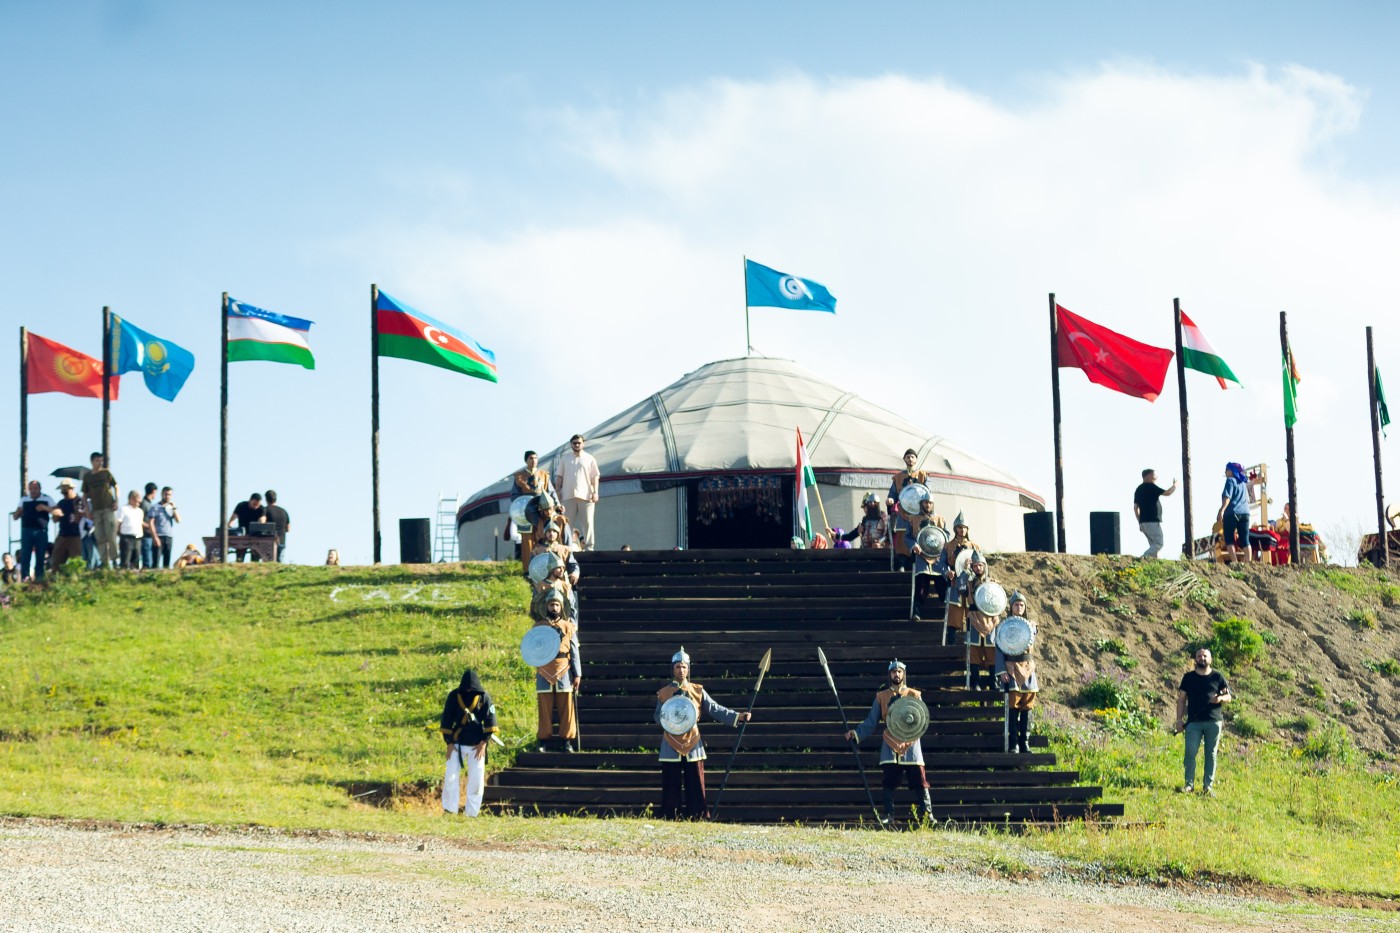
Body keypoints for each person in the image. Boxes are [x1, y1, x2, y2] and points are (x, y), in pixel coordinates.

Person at [654, 647, 750, 820]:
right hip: (670, 741)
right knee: (671, 783)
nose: (681, 670)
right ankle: (670, 815)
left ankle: (697, 815)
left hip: (692, 741)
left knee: (696, 782)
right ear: (673, 669)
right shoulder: (664, 693)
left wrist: (737, 716)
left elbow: (714, 709)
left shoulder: (697, 690)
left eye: (684, 667)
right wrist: (666, 719)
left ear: (688, 669)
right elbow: (657, 717)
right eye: (677, 667)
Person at [846, 659, 932, 824]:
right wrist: (856, 733)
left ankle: (928, 816)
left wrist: (909, 740)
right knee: (889, 781)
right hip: (890, 743)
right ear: (889, 674)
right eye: (894, 671)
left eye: (899, 671)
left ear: (903, 674)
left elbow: (922, 721)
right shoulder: (881, 696)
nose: (897, 674)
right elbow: (871, 722)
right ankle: (888, 815)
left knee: (920, 781)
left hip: (912, 743)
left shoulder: (915, 694)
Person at [439, 668, 498, 817]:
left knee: (476, 781)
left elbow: (490, 721)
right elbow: (446, 719)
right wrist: (449, 743)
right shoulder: (454, 696)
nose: (470, 690)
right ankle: (449, 809)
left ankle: (472, 813)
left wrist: (483, 743)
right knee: (451, 777)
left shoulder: (484, 697)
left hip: (477, 744)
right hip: (456, 743)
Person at [1174, 647, 1231, 795]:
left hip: (1214, 722)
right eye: (1199, 656)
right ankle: (1189, 785)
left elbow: (1228, 697)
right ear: (1195, 659)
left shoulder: (1218, 677)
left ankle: (1208, 787)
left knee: (1211, 754)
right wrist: (1179, 720)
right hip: (1193, 722)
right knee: (1190, 752)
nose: (1202, 658)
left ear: (1210, 659)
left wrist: (1220, 698)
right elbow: (1181, 701)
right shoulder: (1188, 678)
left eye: (1205, 656)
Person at [532, 589, 582, 752]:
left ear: (561, 607)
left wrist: (578, 674)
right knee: (544, 706)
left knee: (566, 706)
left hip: (564, 667)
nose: (554, 608)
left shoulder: (568, 627)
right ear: (546, 607)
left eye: (557, 605)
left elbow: (574, 650)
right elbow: (532, 648)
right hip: (544, 668)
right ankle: (543, 740)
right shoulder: (538, 626)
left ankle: (567, 740)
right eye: (551, 605)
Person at [995, 591, 1039, 753]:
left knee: (1027, 706)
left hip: (1028, 667)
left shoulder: (1031, 626)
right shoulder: (1004, 625)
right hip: (1011, 667)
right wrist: (1001, 671)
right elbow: (999, 649)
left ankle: (1024, 742)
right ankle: (1013, 743)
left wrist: (1032, 628)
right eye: (1016, 604)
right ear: (1011, 607)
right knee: (1013, 707)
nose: (1019, 607)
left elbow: (1032, 636)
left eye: (1021, 605)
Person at [554, 434, 600, 551]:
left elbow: (595, 477)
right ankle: (566, 547)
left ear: (583, 444)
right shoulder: (565, 459)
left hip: (586, 496)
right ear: (571, 444)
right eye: (574, 443)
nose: (577, 445)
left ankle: (589, 548)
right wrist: (557, 491)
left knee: (588, 524)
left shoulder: (590, 458)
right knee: (567, 524)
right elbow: (559, 476)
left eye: (579, 443)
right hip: (568, 495)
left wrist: (595, 492)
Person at [964, 559, 1005, 691]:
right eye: (975, 566)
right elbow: (959, 589)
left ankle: (993, 682)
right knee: (974, 652)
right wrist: (965, 571)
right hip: (974, 617)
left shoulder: (992, 583)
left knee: (992, 652)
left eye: (980, 565)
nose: (978, 568)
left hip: (990, 619)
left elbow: (998, 599)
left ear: (984, 566)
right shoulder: (968, 582)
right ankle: (975, 683)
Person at [886, 449, 929, 572]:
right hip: (903, 513)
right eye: (908, 457)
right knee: (902, 538)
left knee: (919, 536)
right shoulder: (898, 477)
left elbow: (928, 493)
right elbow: (893, 493)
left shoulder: (923, 475)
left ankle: (919, 564)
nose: (910, 459)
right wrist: (890, 500)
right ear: (904, 459)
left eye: (912, 457)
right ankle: (901, 564)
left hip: (919, 514)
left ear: (916, 460)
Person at [513, 450, 553, 573]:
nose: (534, 460)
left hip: (542, 512)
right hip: (525, 512)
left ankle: (544, 569)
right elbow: (514, 496)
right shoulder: (519, 476)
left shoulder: (544, 475)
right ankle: (528, 571)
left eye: (535, 458)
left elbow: (551, 492)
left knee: (542, 538)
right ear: (526, 460)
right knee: (527, 542)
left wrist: (556, 505)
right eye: (531, 458)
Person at [907, 498, 945, 620]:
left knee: (942, 585)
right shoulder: (913, 519)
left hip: (937, 559)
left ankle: (947, 612)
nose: (928, 505)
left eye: (930, 503)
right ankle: (916, 612)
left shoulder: (940, 519)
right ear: (921, 503)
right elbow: (908, 537)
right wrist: (914, 545)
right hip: (921, 558)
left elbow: (946, 535)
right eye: (925, 502)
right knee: (920, 586)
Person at [80, 452, 119, 569]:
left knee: (111, 535)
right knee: (100, 537)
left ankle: (115, 560)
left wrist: (116, 500)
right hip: (96, 510)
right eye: (97, 460)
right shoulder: (87, 476)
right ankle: (104, 562)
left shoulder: (106, 473)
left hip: (108, 508)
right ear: (92, 461)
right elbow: (84, 495)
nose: (99, 463)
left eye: (101, 460)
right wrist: (87, 510)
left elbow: (116, 486)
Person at [12, 479, 55, 582]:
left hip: (41, 531)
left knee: (40, 555)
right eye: (31, 488)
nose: (33, 491)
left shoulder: (46, 498)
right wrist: (18, 512)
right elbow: (15, 516)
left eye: (35, 488)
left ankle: (39, 576)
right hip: (27, 530)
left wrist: (45, 508)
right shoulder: (24, 499)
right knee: (25, 555)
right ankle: (25, 577)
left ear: (39, 489)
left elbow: (57, 511)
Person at [1133, 469, 1177, 559]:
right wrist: (1175, 485)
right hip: (1151, 521)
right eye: (1154, 475)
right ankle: (1143, 557)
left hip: (1143, 522)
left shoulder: (1138, 489)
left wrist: (1139, 522)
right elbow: (1168, 493)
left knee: (1153, 545)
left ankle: (1153, 562)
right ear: (1148, 476)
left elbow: (1135, 508)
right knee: (1159, 543)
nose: (1156, 478)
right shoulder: (1151, 486)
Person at [1216, 462, 1251, 564]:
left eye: (1226, 470)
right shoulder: (1243, 483)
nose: (1225, 472)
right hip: (1245, 513)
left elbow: (1227, 497)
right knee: (1245, 540)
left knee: (1229, 538)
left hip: (1232, 513)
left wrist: (1221, 510)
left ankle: (1235, 562)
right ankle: (1248, 563)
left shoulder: (1230, 480)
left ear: (1231, 471)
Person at [48, 479, 85, 570]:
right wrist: (55, 513)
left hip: (76, 535)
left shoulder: (79, 501)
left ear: (71, 488)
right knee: (56, 560)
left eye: (65, 489)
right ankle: (56, 579)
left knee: (76, 561)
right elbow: (55, 520)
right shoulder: (61, 503)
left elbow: (78, 518)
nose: (63, 492)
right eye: (62, 490)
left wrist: (78, 512)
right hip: (62, 535)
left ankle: (76, 579)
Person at [228, 492, 267, 562]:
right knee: (240, 556)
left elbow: (262, 521)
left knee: (255, 555)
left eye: (257, 505)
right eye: (254, 504)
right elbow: (232, 520)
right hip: (242, 534)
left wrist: (261, 522)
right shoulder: (241, 505)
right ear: (250, 500)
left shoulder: (261, 508)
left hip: (255, 535)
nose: (256, 506)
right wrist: (230, 528)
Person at [149, 487, 180, 569]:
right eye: (166, 494)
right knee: (156, 561)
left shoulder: (171, 508)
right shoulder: (155, 507)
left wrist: (174, 508)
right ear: (162, 494)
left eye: (169, 495)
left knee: (167, 561)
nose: (167, 496)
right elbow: (151, 522)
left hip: (169, 536)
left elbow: (178, 520)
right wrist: (155, 537)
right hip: (159, 535)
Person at [117, 490, 146, 570]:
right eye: (138, 499)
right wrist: (117, 534)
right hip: (126, 537)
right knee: (125, 560)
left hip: (138, 538)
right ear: (132, 498)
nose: (139, 501)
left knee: (136, 560)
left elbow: (141, 523)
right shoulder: (123, 509)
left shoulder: (140, 511)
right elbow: (118, 522)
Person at [264, 490, 290, 562]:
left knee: (268, 562)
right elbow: (288, 529)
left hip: (268, 541)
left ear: (266, 499)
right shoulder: (284, 511)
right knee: (280, 562)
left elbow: (262, 523)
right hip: (281, 540)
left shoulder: (265, 510)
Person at [139, 483, 159, 569]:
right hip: (145, 534)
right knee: (147, 560)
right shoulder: (144, 503)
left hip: (150, 535)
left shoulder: (149, 504)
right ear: (153, 491)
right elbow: (139, 520)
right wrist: (150, 527)